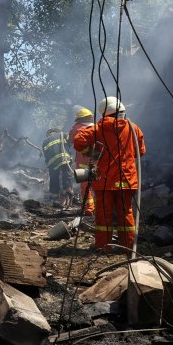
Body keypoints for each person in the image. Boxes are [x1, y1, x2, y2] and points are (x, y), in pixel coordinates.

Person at [73, 97, 145, 253]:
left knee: (104, 215)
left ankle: (103, 246)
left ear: (104, 113)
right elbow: (141, 152)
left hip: (105, 181)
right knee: (126, 213)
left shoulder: (98, 128)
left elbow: (78, 140)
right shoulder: (134, 128)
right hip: (126, 179)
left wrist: (91, 152)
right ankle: (128, 246)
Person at [68, 107, 96, 216]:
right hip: (98, 161)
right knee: (98, 185)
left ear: (79, 119)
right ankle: (101, 208)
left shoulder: (77, 128)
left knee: (85, 187)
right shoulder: (98, 127)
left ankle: (89, 209)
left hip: (83, 162)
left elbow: (71, 139)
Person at [42, 128, 74, 209]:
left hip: (53, 163)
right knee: (67, 178)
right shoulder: (63, 134)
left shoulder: (45, 141)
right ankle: (68, 197)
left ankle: (54, 198)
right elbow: (71, 143)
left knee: (54, 179)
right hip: (64, 160)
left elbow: (46, 155)